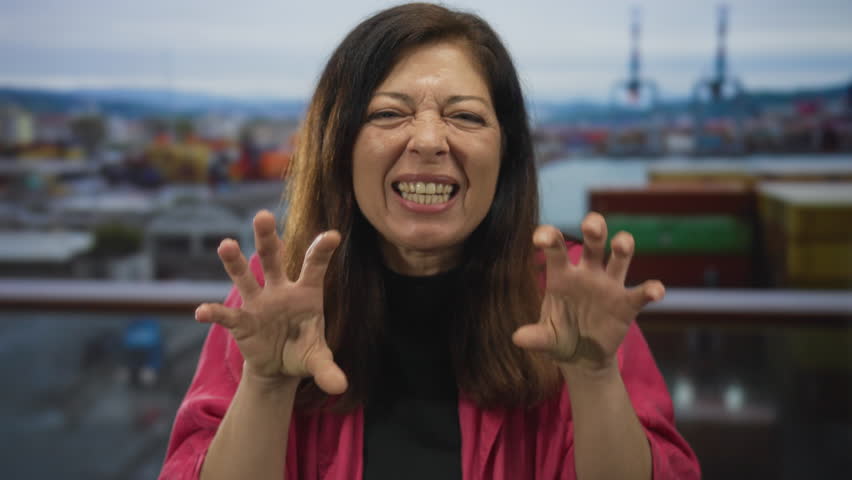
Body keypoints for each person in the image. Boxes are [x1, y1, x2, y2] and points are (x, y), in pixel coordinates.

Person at [160, 3, 700, 479]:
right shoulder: (275, 294)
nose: (427, 140)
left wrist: (595, 376)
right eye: (389, 114)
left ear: (506, 153)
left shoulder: (568, 295)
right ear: (338, 146)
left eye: (464, 116)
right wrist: (266, 384)